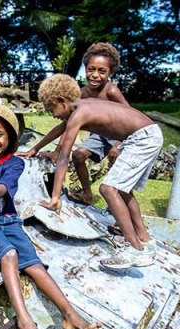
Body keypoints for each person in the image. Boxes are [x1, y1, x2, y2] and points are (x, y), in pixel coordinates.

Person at [0, 104, 102, 329]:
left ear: (9, 138)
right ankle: (24, 321)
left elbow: (1, 190)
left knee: (35, 265)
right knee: (9, 254)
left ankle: (69, 314)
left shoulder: (14, 164)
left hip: (9, 220)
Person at [36, 74, 162, 269]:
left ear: (61, 101)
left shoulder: (80, 113)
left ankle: (134, 250)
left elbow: (64, 156)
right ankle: (145, 240)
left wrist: (55, 197)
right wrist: (34, 149)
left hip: (142, 138)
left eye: (51, 109)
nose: (53, 114)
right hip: (148, 134)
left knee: (108, 189)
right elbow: (60, 128)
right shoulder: (81, 106)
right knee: (123, 190)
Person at [20, 42, 129, 206]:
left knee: (119, 166)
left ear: (111, 72)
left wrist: (118, 145)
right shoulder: (82, 94)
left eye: (101, 71)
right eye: (91, 69)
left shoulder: (111, 91)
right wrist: (44, 150)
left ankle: (117, 207)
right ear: (85, 68)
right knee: (78, 156)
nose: (94, 75)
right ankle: (87, 195)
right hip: (100, 134)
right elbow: (67, 126)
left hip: (121, 134)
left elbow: (128, 118)